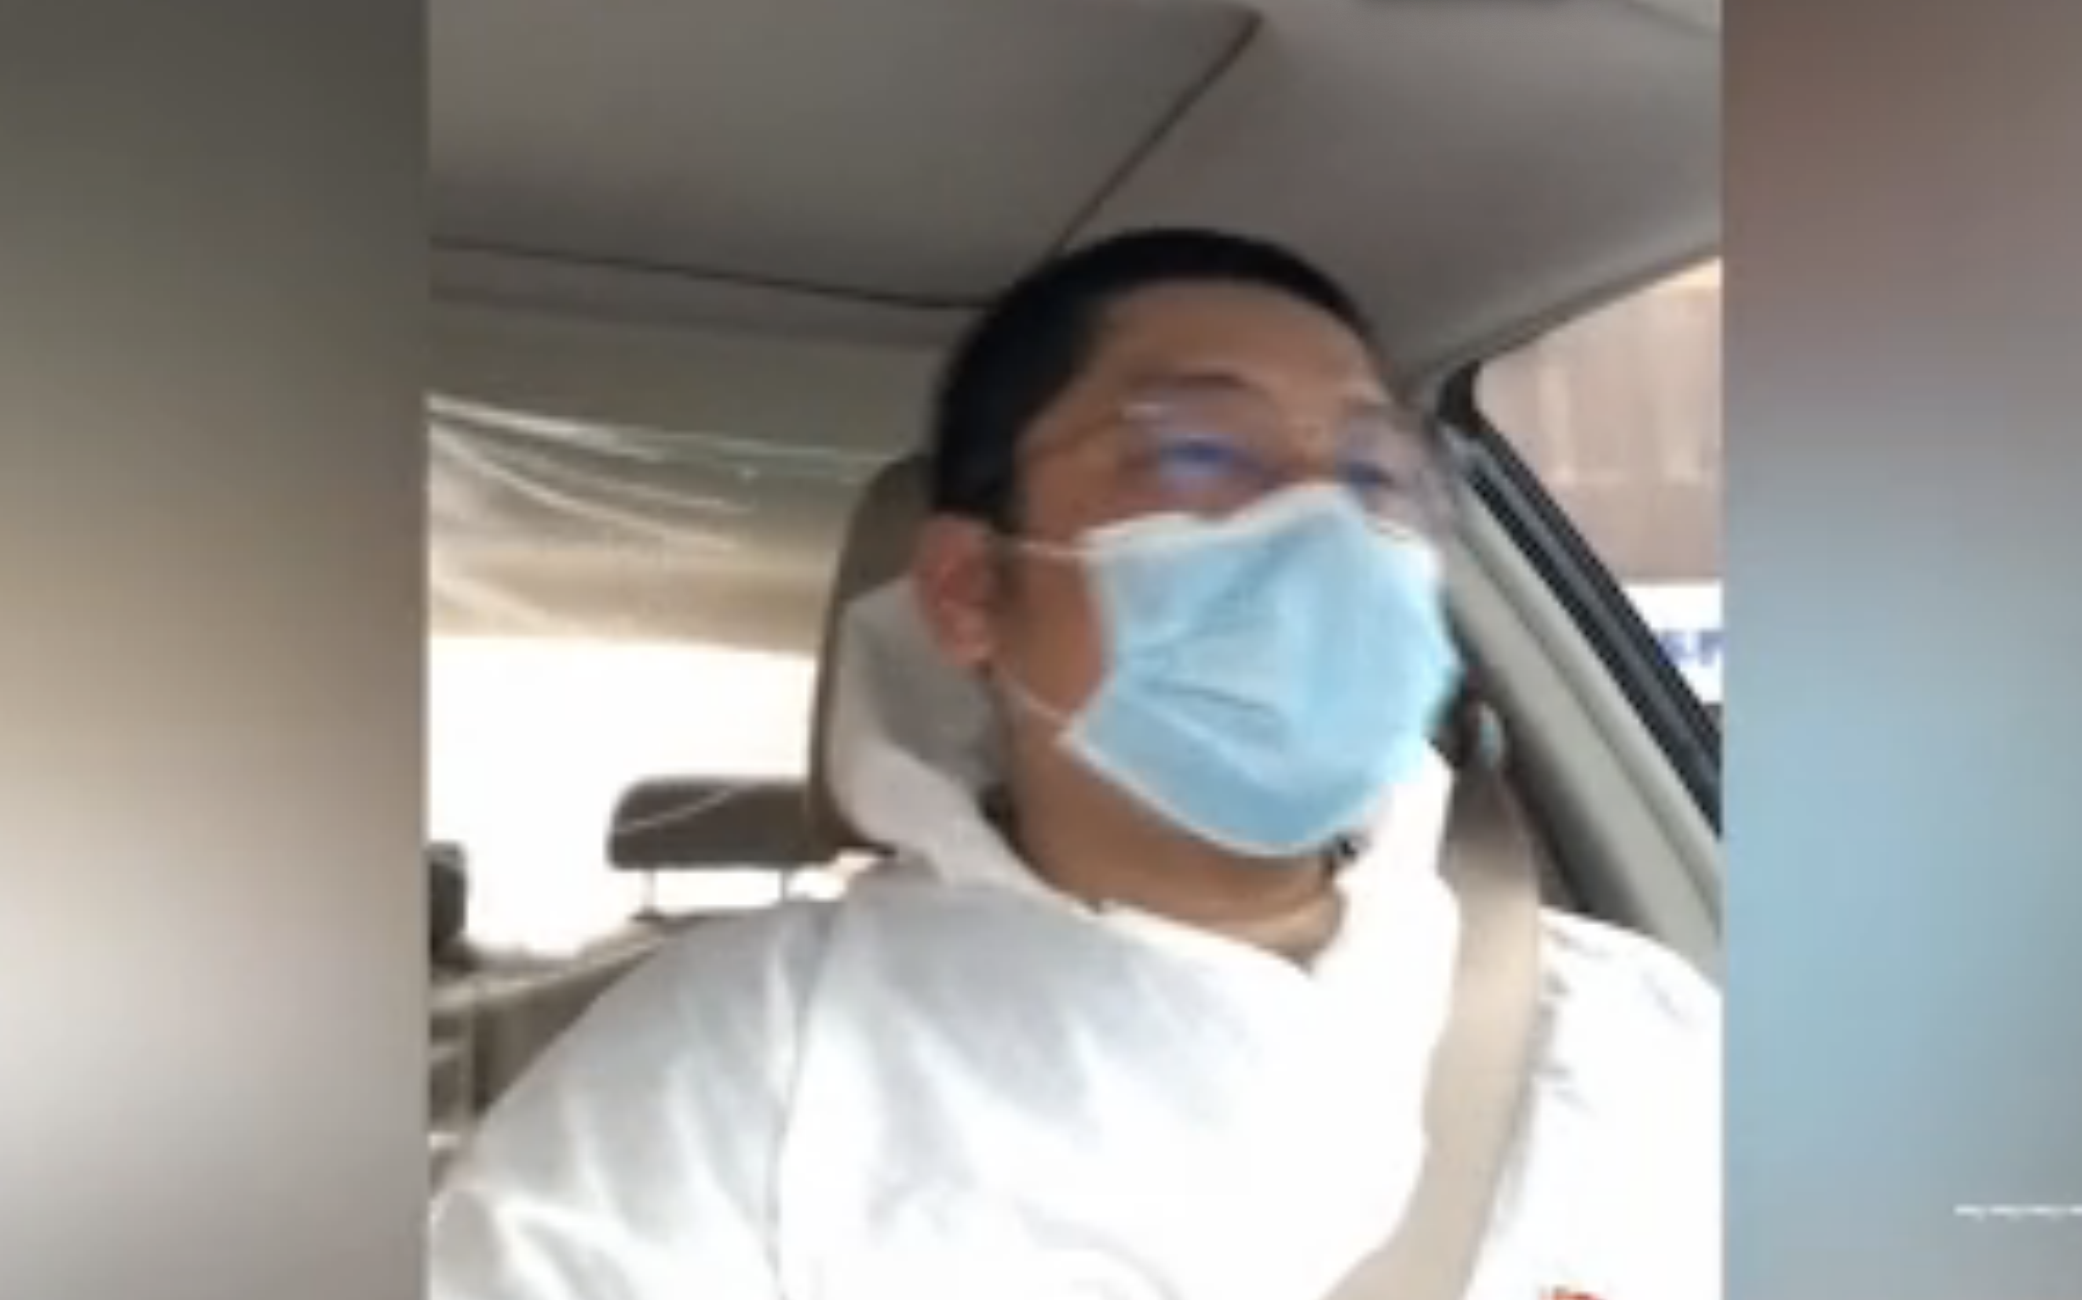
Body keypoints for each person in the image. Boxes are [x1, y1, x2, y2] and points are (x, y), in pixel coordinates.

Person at [428, 229, 1719, 1300]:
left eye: (1376, 475)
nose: (1323, 526)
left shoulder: (1634, 1034)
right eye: (1201, 454)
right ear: (966, 591)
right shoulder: (730, 1064)